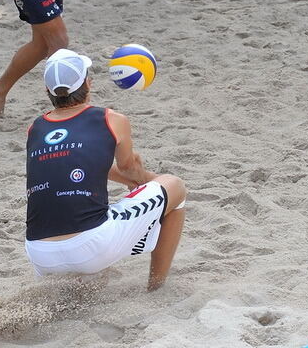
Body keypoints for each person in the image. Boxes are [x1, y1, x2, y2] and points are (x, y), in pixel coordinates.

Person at [24, 49, 186, 291]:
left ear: (48, 91)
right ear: (88, 84)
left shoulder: (35, 129)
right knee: (176, 187)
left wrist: (136, 181)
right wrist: (152, 180)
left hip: (39, 254)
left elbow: (80, 162)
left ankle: (80, 284)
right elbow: (130, 169)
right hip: (91, 244)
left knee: (86, 226)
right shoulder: (111, 119)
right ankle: (156, 287)